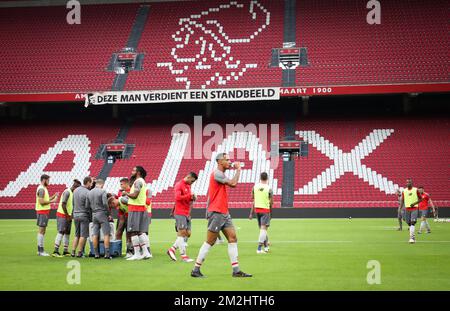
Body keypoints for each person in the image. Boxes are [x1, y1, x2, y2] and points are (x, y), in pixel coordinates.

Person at [191, 153, 252, 278]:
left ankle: (236, 270)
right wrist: (238, 169)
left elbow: (211, 195)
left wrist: (207, 210)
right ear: (220, 162)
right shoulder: (217, 173)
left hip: (223, 212)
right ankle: (195, 269)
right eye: (227, 159)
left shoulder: (220, 174)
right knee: (210, 241)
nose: (229, 161)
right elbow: (233, 184)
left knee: (233, 238)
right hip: (217, 212)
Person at [167, 172, 198, 262]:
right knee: (182, 233)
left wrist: (192, 198)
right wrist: (189, 196)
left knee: (188, 233)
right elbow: (177, 198)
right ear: (188, 177)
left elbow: (186, 198)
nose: (192, 183)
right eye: (192, 181)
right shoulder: (179, 185)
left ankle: (172, 249)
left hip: (186, 212)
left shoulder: (188, 186)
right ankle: (184, 256)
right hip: (180, 212)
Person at [123, 166, 152, 261]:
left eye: (133, 170)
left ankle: (137, 254)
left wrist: (125, 193)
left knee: (133, 231)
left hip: (135, 209)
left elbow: (135, 195)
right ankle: (146, 253)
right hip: (141, 208)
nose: (132, 172)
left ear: (138, 172)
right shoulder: (142, 181)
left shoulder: (138, 181)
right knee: (140, 232)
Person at [52, 179, 81, 257]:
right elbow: (63, 204)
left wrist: (70, 215)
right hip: (62, 214)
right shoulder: (67, 192)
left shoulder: (72, 193)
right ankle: (55, 251)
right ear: (75, 187)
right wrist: (67, 215)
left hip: (68, 215)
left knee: (67, 232)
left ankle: (65, 250)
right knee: (61, 231)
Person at [87, 179, 113, 259]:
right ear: (102, 184)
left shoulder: (89, 192)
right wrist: (108, 213)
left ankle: (96, 254)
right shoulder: (102, 191)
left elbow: (87, 206)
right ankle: (107, 254)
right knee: (106, 234)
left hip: (94, 214)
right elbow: (105, 203)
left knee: (95, 234)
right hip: (102, 213)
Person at [35, 174, 59, 256]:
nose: (49, 182)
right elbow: (41, 202)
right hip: (42, 211)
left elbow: (45, 200)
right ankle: (40, 250)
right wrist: (53, 201)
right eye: (48, 180)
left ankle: (40, 250)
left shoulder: (43, 188)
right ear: (44, 180)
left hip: (43, 212)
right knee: (42, 231)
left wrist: (53, 196)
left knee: (42, 231)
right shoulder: (41, 189)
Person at [249, 172, 273, 254]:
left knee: (263, 229)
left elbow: (252, 197)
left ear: (260, 178)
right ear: (267, 178)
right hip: (265, 209)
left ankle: (266, 247)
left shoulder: (255, 186)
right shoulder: (269, 188)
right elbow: (271, 201)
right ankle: (259, 249)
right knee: (264, 229)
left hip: (257, 209)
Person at [72, 176, 93, 257]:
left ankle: (73, 251)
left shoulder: (75, 190)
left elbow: (73, 203)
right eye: (91, 183)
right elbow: (88, 206)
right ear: (88, 182)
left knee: (76, 234)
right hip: (84, 215)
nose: (91, 185)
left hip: (75, 214)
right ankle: (80, 252)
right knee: (83, 235)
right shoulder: (88, 192)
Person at [400, 178, 423, 244]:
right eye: (407, 182)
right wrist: (400, 208)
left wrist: (414, 204)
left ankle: (411, 238)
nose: (408, 183)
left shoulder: (415, 190)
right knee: (408, 222)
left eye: (409, 182)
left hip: (414, 208)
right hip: (407, 209)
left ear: (412, 183)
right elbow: (402, 200)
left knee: (413, 222)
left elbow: (421, 199)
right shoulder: (404, 191)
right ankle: (413, 236)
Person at [116, 178, 133, 257]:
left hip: (129, 216)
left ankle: (129, 251)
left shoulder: (131, 192)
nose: (121, 186)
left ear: (127, 184)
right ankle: (117, 251)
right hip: (121, 216)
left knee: (128, 234)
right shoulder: (120, 192)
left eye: (122, 184)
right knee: (118, 232)